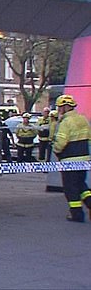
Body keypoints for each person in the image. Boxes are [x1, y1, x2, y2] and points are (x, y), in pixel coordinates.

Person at [51, 94, 91, 222]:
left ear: (65, 107)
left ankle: (76, 214)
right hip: (84, 160)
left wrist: (56, 150)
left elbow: (61, 142)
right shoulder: (83, 119)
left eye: (59, 107)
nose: (58, 110)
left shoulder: (66, 122)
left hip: (69, 160)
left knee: (70, 188)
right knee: (81, 185)